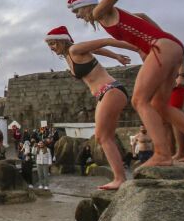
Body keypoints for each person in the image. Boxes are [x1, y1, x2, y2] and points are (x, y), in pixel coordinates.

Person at [67, 0, 184, 166]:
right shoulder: (112, 16)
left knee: (139, 100)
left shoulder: (98, 11)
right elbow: (142, 16)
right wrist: (157, 39)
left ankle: (162, 154)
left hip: (161, 48)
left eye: (77, 10)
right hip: (171, 46)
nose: (77, 16)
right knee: (160, 105)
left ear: (86, 5)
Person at [45, 25, 133, 190]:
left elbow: (105, 42)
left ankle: (119, 178)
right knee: (105, 137)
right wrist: (115, 56)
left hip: (110, 90)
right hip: (104, 94)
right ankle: (120, 177)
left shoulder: (75, 49)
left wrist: (138, 48)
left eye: (54, 43)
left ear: (63, 41)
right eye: (49, 45)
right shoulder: (68, 56)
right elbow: (98, 51)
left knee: (102, 137)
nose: (52, 48)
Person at [169, 60, 184, 160]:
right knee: (164, 118)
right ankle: (171, 151)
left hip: (175, 79)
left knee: (175, 113)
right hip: (161, 80)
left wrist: (181, 75)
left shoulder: (169, 44)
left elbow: (180, 57)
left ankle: (181, 152)